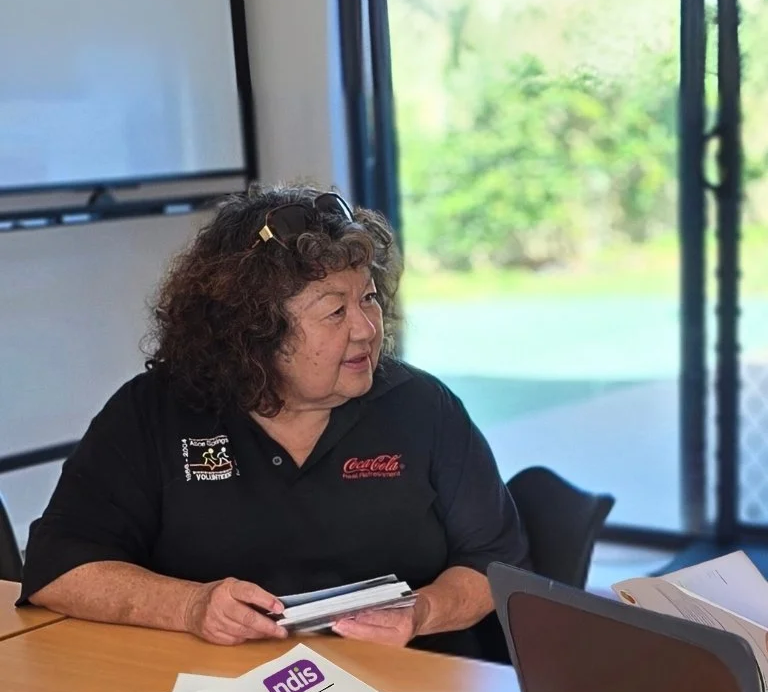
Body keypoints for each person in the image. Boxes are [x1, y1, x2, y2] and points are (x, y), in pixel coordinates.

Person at [19, 185, 528, 656]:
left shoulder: (421, 406)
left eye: (368, 298)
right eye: (335, 312)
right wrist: (190, 607)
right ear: (254, 333)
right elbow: (60, 567)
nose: (366, 328)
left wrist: (423, 612)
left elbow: (494, 563)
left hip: (411, 690)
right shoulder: (155, 411)